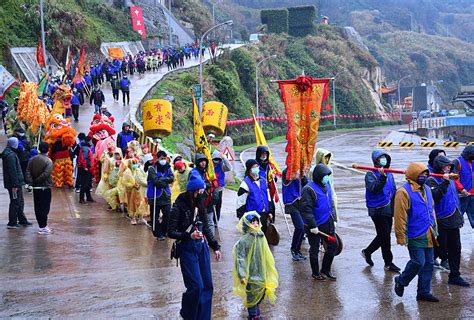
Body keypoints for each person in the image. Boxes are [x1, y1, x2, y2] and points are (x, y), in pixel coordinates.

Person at [168, 171, 222, 320]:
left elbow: (206, 227)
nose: (202, 194)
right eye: (200, 191)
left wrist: (215, 246)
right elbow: (170, 232)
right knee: (196, 286)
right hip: (187, 249)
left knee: (207, 286)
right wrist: (188, 235)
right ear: (193, 191)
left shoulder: (201, 204)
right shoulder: (179, 205)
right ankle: (188, 314)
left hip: (202, 248)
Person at [394, 162, 439, 302]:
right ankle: (401, 280)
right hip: (415, 233)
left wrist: (435, 228)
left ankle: (423, 292)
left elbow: (431, 210)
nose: (424, 176)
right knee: (418, 262)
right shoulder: (404, 192)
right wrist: (401, 236)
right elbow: (400, 216)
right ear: (414, 174)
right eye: (421, 174)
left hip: (429, 232)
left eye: (426, 174)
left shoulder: (427, 189)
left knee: (429, 263)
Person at [426, 155, 470, 287]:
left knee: (456, 249)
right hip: (441, 220)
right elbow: (435, 197)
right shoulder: (431, 180)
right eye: (446, 166)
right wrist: (444, 182)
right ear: (439, 167)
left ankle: (455, 275)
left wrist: (459, 216)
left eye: (450, 167)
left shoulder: (450, 178)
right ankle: (425, 274)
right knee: (440, 249)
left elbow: (455, 198)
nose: (448, 168)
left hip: (453, 219)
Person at [232, 211, 278, 320]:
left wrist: (269, 268)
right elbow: (241, 259)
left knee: (261, 292)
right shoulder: (243, 241)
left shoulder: (261, 237)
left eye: (257, 222)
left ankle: (255, 310)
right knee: (252, 295)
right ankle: (253, 315)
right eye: (253, 223)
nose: (256, 225)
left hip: (261, 272)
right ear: (247, 224)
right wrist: (242, 275)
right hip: (250, 274)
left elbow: (266, 254)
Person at [361, 150, 400, 272]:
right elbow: (374, 189)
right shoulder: (370, 175)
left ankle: (367, 251)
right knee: (385, 236)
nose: (383, 160)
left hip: (388, 208)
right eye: (380, 158)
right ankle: (388, 262)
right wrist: (382, 178)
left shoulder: (390, 173)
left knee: (384, 234)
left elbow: (393, 190)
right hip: (377, 209)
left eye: (385, 158)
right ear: (375, 161)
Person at [301, 164, 338, 281]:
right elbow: (307, 210)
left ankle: (326, 269)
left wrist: (334, 219)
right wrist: (313, 225)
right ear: (318, 176)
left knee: (333, 245)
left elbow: (331, 203)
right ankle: (315, 273)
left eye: (328, 175)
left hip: (327, 220)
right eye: (325, 176)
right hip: (315, 225)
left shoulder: (326, 185)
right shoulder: (308, 189)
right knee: (315, 249)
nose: (327, 178)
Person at [2, 137, 32, 229]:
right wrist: (15, 185)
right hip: (14, 184)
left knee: (19, 201)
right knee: (15, 202)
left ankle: (22, 219)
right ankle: (12, 222)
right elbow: (13, 171)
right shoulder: (10, 155)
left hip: (15, 183)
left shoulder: (10, 153)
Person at [25, 142, 53, 235]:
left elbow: (28, 172)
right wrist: (37, 180)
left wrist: (31, 182)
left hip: (36, 188)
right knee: (45, 208)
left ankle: (42, 226)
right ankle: (43, 227)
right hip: (45, 187)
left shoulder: (32, 160)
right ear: (48, 149)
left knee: (38, 207)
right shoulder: (48, 161)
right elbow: (46, 174)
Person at [237, 159, 270, 234]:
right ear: (249, 170)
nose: (256, 168)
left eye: (257, 166)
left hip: (264, 215)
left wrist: (270, 211)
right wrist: (242, 218)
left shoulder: (263, 181)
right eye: (254, 167)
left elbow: (267, 197)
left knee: (263, 238)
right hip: (252, 218)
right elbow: (241, 203)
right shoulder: (245, 184)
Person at [147, 150, 174, 239]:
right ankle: (158, 233)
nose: (163, 160)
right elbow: (155, 181)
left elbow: (172, 178)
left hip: (166, 195)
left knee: (168, 215)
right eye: (161, 158)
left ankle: (164, 231)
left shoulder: (168, 168)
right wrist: (165, 180)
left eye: (165, 158)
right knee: (155, 216)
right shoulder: (152, 169)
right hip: (155, 196)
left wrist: (161, 180)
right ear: (157, 159)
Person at [282, 167, 307, 261]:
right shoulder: (286, 171)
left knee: (303, 228)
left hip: (300, 203)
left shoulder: (301, 170)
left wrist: (303, 175)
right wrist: (296, 174)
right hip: (291, 203)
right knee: (299, 227)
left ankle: (298, 250)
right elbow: (288, 178)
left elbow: (306, 183)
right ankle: (293, 249)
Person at [452, 145, 473, 229]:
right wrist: (461, 189)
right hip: (462, 195)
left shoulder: (472, 162)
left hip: (472, 194)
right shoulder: (457, 162)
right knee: (457, 218)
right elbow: (454, 178)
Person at [211, 150, 232, 223]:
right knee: (210, 204)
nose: (216, 161)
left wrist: (224, 158)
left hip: (219, 188)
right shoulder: (210, 165)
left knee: (218, 204)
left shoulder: (222, 165)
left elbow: (229, 168)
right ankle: (211, 219)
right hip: (211, 187)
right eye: (215, 159)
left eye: (218, 159)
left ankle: (216, 220)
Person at [78, 136, 95, 205]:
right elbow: (83, 158)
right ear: (89, 141)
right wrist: (85, 167)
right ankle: (81, 199)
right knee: (84, 184)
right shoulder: (85, 148)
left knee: (88, 183)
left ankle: (88, 197)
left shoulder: (86, 147)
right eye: (91, 141)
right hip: (86, 168)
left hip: (88, 168)